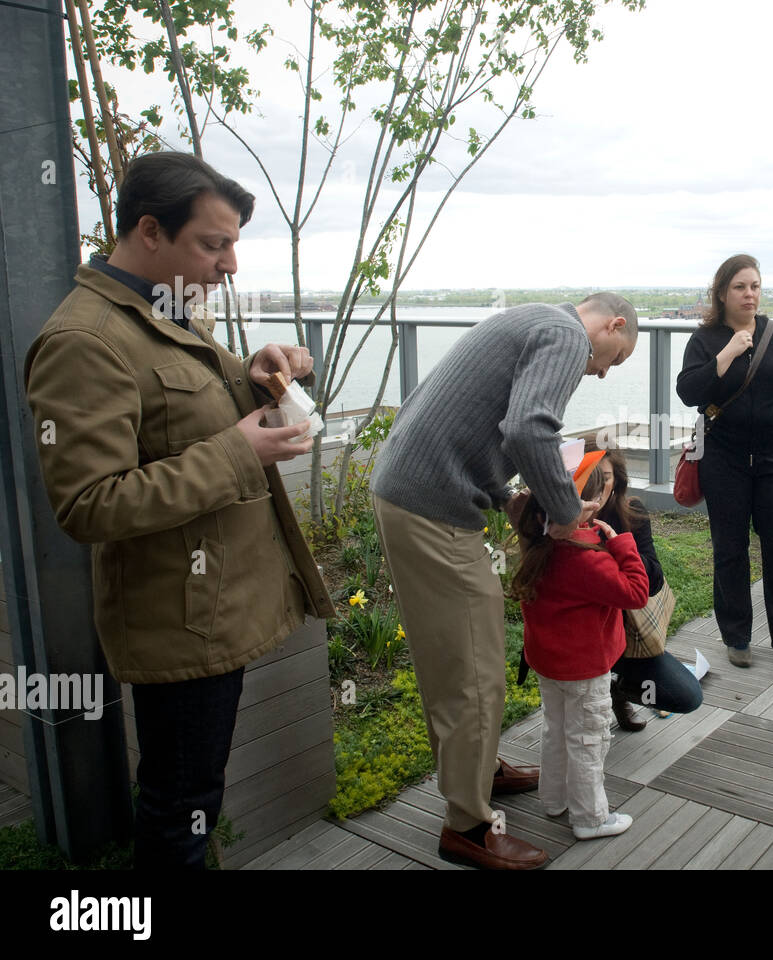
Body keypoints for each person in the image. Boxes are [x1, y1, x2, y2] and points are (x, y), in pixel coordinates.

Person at [23, 151, 334, 869]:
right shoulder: (85, 341)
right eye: (213, 243)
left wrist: (256, 374)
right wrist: (238, 452)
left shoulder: (163, 309)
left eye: (232, 245)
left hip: (212, 604)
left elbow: (189, 410)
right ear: (150, 230)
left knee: (193, 797)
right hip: (179, 618)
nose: (229, 265)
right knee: (180, 810)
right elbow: (86, 503)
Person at [369, 292, 637, 870]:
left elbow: (476, 424)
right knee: (474, 671)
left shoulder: (529, 318)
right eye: (613, 359)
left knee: (454, 655)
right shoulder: (567, 334)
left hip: (411, 492)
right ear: (612, 324)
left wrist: (504, 496)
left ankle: (480, 770)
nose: (600, 371)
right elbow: (527, 430)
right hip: (433, 508)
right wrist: (565, 513)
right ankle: (467, 825)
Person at [676, 255, 773, 668]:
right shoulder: (705, 340)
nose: (749, 294)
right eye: (740, 287)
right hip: (725, 457)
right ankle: (737, 637)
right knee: (730, 549)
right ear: (722, 292)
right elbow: (688, 391)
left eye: (755, 286)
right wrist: (726, 355)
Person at [511, 467, 649, 839]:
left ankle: (554, 800)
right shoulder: (587, 557)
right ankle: (590, 819)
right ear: (584, 506)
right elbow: (636, 593)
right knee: (589, 738)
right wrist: (620, 543)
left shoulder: (538, 544)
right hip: (585, 670)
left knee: (556, 730)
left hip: (549, 665)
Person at [584, 442, 704, 730]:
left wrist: (621, 547)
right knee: (578, 726)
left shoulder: (631, 513)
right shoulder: (560, 521)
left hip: (627, 636)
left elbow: (653, 582)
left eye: (606, 478)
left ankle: (618, 689)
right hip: (580, 637)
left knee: (686, 695)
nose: (597, 487)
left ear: (618, 482)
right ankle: (600, 692)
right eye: (590, 476)